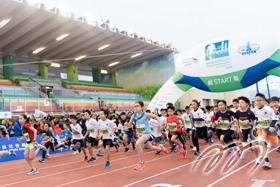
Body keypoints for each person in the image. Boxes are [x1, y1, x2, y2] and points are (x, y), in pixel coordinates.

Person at [129, 101, 168, 171]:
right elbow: (129, 124)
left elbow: (156, 116)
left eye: (137, 106)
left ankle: (141, 163)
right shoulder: (133, 116)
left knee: (138, 144)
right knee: (151, 148)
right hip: (140, 135)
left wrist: (159, 124)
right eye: (134, 106)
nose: (135, 108)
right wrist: (127, 126)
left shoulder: (145, 114)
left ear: (142, 107)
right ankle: (161, 148)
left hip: (147, 134)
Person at [253, 93, 279, 170]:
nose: (258, 102)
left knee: (274, 145)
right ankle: (266, 161)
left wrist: (271, 126)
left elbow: (275, 119)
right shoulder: (254, 110)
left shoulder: (268, 109)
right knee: (260, 142)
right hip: (262, 128)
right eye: (256, 100)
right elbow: (256, 118)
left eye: (260, 100)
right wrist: (257, 124)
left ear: (264, 101)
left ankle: (278, 137)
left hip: (271, 128)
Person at [235, 96, 259, 163]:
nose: (240, 104)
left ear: (247, 104)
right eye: (239, 103)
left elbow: (253, 122)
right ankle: (245, 144)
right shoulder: (237, 112)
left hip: (251, 130)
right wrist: (238, 128)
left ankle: (257, 158)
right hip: (243, 131)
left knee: (254, 145)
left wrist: (247, 123)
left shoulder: (250, 112)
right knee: (244, 146)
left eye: (242, 102)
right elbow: (237, 120)